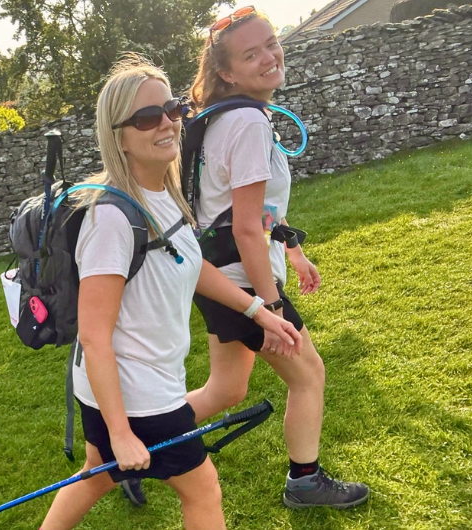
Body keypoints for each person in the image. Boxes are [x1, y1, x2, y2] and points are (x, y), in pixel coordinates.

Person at [39, 55, 303, 530]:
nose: (166, 123)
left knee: (95, 475)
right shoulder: (111, 220)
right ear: (117, 134)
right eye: (146, 117)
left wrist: (259, 311)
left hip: (114, 385)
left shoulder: (164, 192)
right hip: (137, 392)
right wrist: (122, 434)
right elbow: (96, 336)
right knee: (203, 490)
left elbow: (189, 262)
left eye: (173, 109)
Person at [183, 6, 370, 509]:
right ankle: (304, 482)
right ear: (226, 72)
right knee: (309, 374)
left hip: (218, 273)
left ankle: (126, 446)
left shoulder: (229, 117)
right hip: (243, 280)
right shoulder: (245, 122)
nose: (270, 56)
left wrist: (293, 247)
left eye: (270, 43)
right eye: (252, 53)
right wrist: (272, 309)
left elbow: (252, 212)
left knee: (224, 390)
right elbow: (244, 226)